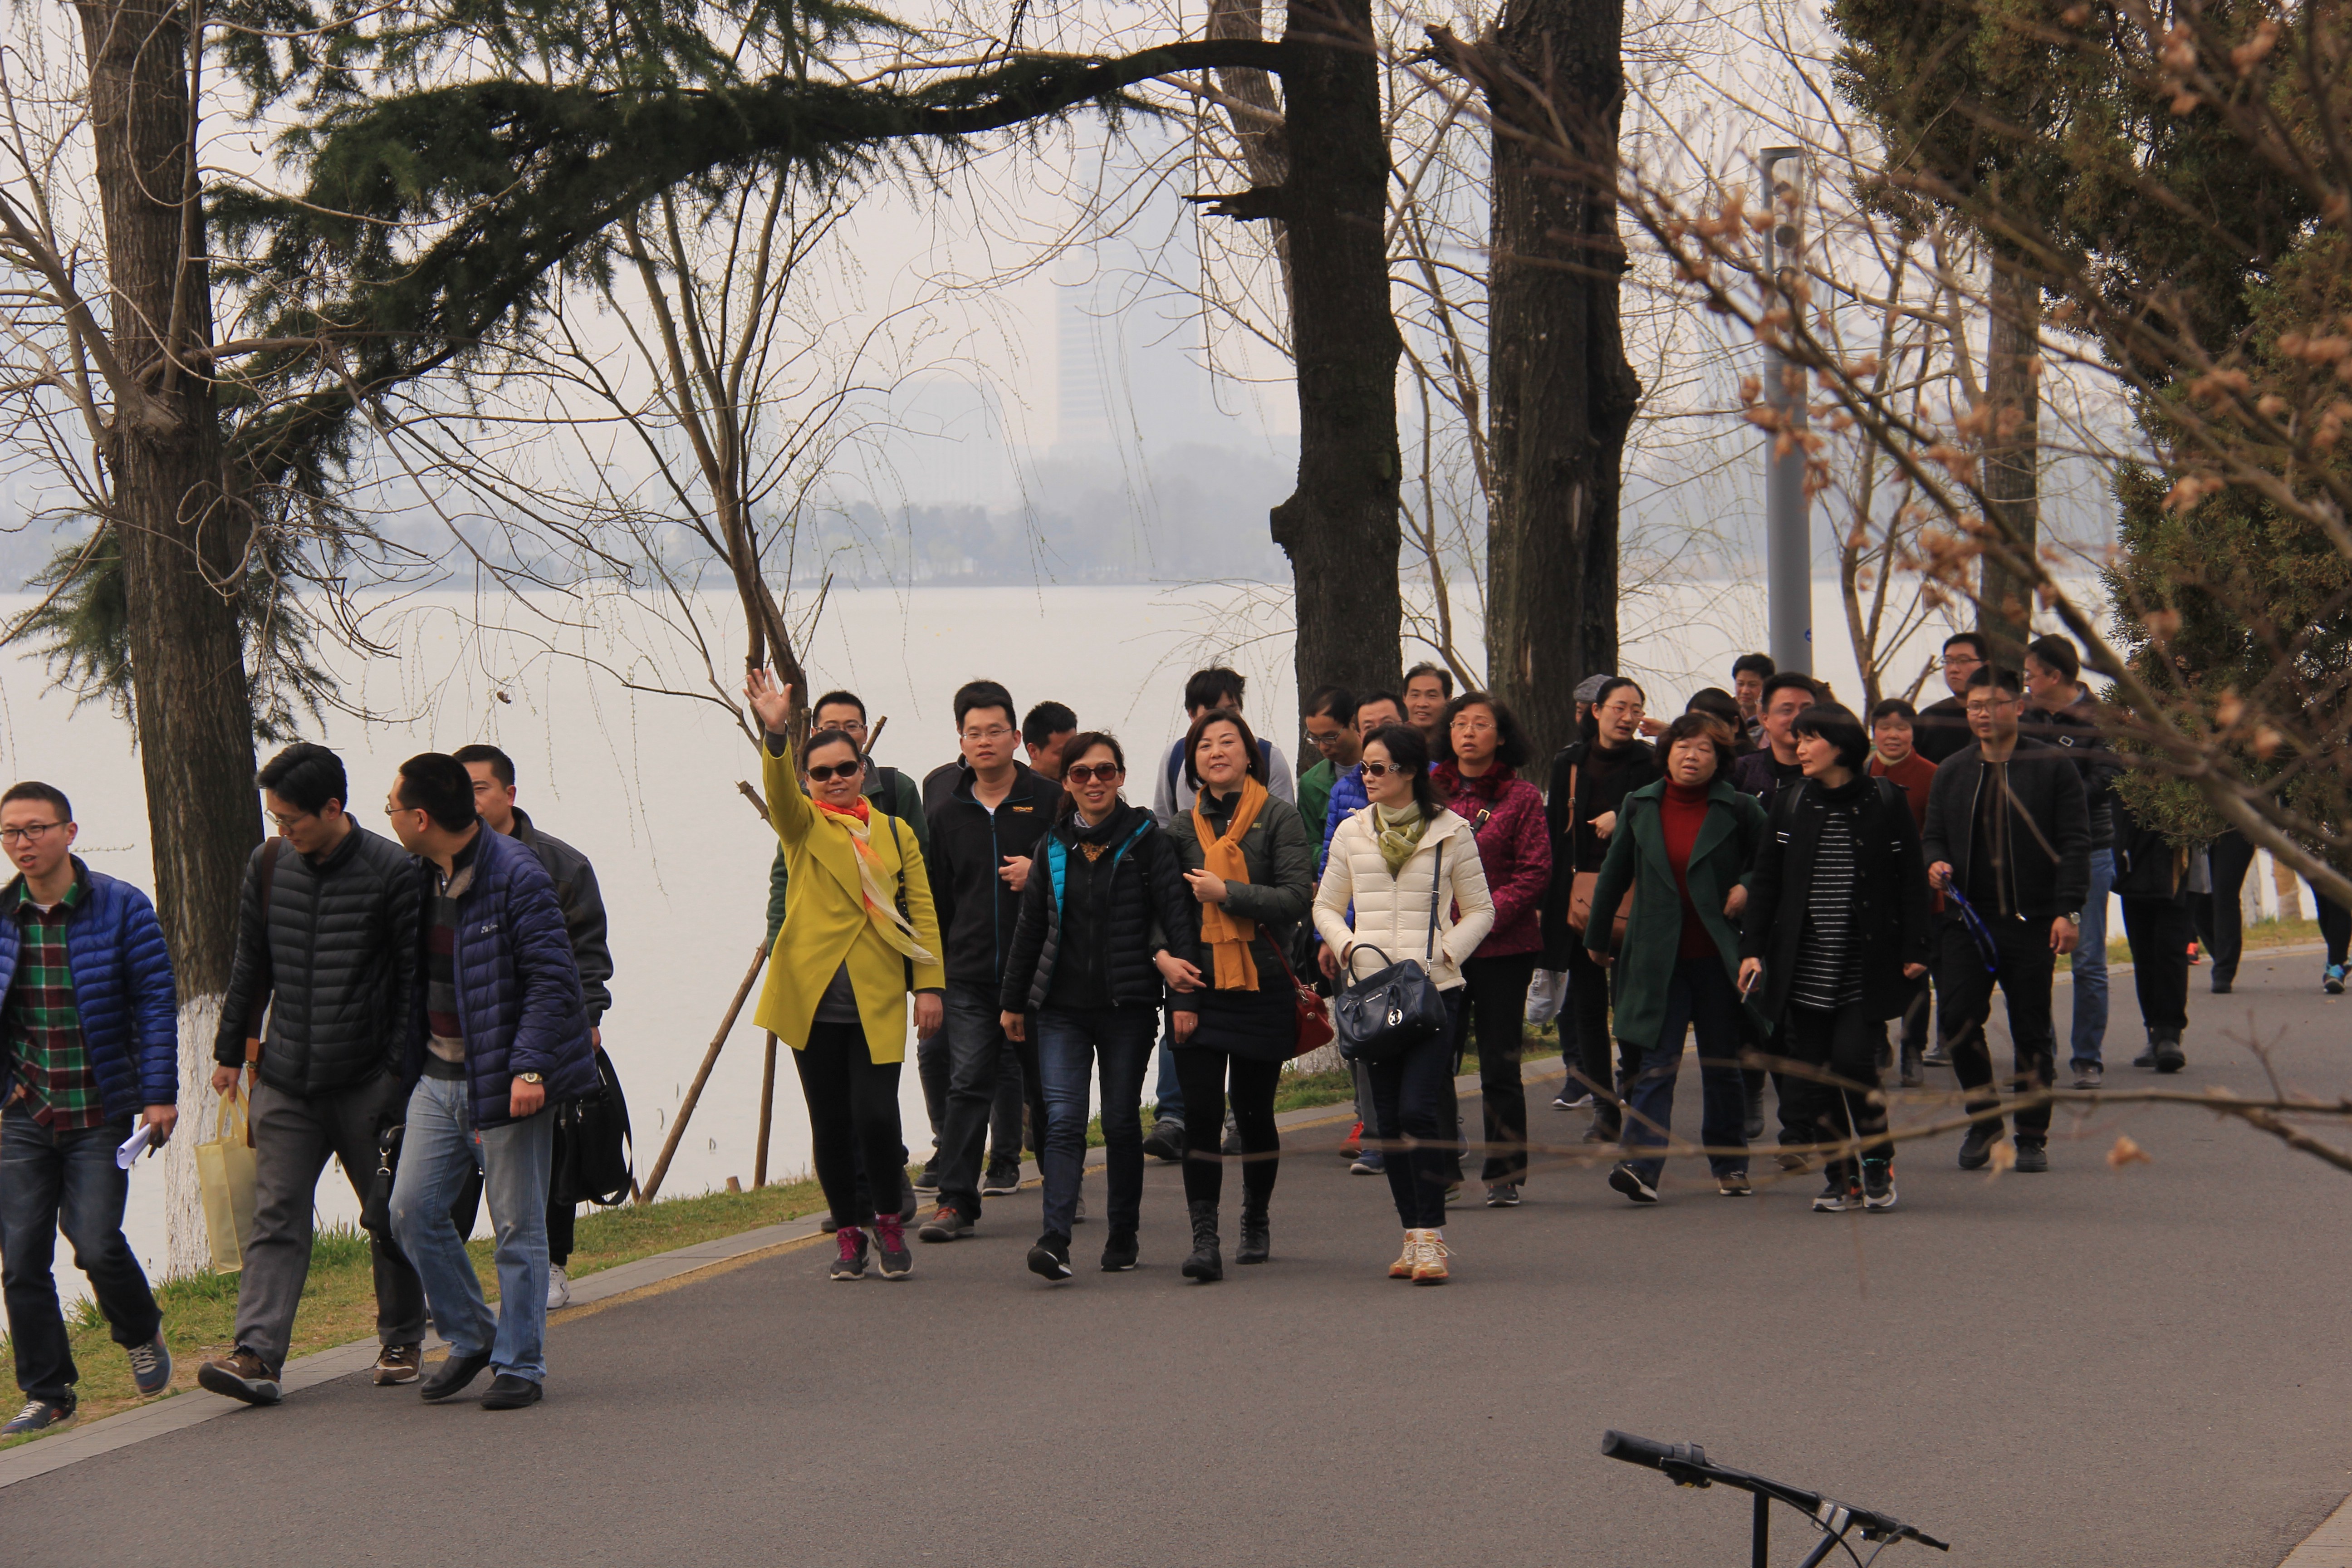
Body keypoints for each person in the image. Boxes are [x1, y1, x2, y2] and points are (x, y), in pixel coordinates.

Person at [198, 744, 429, 1408]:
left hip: (366, 1081)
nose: (283, 830)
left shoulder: (394, 872)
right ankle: (257, 1355)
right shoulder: (269, 865)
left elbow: (413, 986)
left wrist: (397, 1077)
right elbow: (251, 964)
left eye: (291, 819)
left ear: (333, 808)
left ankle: (402, 1340)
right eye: (275, 818)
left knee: (386, 1215)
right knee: (275, 1216)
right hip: (285, 1079)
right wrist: (229, 1052)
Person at [383, 752, 599, 1410]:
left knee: (516, 1226)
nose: (388, 817)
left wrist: (530, 1067)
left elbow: (553, 979)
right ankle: (474, 1334)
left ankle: (521, 1364)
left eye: (392, 808)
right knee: (410, 1212)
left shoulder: (516, 875)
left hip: (506, 1079)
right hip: (436, 1075)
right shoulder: (419, 875)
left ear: (421, 818)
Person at [744, 674, 946, 1281]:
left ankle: (889, 1220)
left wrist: (929, 986)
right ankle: (850, 1234)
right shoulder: (803, 826)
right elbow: (779, 795)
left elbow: (922, 910)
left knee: (877, 1117)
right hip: (812, 1002)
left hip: (876, 998)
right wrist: (775, 734)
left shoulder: (895, 832)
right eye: (822, 773)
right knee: (830, 1125)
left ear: (863, 771)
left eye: (845, 769)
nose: (835, 779)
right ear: (808, 780)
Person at [0, 783, 178, 1436]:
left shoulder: (121, 906)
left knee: (97, 1243)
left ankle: (140, 1331)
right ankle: (48, 1393)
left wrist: (159, 1094)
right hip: (24, 1109)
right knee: (21, 1259)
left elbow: (156, 1002)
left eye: (36, 829)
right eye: (10, 832)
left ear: (69, 832)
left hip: (98, 1106)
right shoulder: (4, 916)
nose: (23, 843)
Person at [997, 734, 1199, 1279]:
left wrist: (1183, 998)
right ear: (1067, 782)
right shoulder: (1052, 845)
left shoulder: (1147, 840)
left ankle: (1123, 1234)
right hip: (1059, 1009)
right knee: (1062, 1121)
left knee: (1119, 1122)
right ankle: (1055, 1240)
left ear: (1121, 777)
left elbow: (1175, 918)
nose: (1094, 782)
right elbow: (1031, 928)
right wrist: (1013, 1002)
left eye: (1105, 771)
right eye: (1081, 773)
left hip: (1127, 1006)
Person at [1316, 724, 1494, 1282]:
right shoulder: (1351, 832)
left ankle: (1433, 1236)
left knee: (1419, 1109)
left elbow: (1482, 910)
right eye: (1364, 768)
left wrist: (1447, 952)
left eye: (1378, 768)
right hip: (1373, 995)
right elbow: (1325, 906)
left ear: (1410, 772)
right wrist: (1347, 947)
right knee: (1389, 1120)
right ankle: (1412, 1236)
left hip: (1434, 992)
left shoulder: (1452, 831)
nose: (1367, 778)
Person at [1738, 706, 1933, 1212]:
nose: (1799, 748)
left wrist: (1917, 947)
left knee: (1853, 1061)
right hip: (1802, 962)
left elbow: (1912, 880)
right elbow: (1767, 881)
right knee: (1814, 1073)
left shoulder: (1885, 799)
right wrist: (1752, 950)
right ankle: (1840, 1175)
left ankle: (1877, 1159)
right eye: (1798, 738)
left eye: (1810, 739)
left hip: (1864, 961)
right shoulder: (1791, 800)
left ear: (1841, 745)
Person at [453, 745, 614, 1309]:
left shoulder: (559, 863)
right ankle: (445, 1273)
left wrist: (588, 1019)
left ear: (510, 794)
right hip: (467, 1038)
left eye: (480, 788)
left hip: (543, 1034)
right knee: (460, 1157)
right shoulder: (441, 864)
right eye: (461, 790)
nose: (471, 801)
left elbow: (588, 952)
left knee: (551, 1153)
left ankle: (551, 1264)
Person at [1578, 716, 1765, 1203]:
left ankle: (1730, 1163)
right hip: (1656, 959)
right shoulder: (1640, 805)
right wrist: (1598, 938)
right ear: (1667, 753)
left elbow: (1771, 864)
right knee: (1656, 1063)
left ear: (1719, 760)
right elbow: (1613, 874)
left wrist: (1747, 886)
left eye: (1704, 749)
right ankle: (1640, 1166)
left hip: (1717, 958)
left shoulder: (1740, 808)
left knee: (1721, 1064)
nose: (1692, 756)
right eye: (1683, 746)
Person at [1164, 709, 1315, 1282]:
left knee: (1254, 1115)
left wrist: (1227, 892)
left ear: (1250, 755)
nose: (1216, 752)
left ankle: (1256, 1217)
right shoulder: (1181, 829)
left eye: (1228, 742)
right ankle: (1204, 1237)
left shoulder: (1278, 817)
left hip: (1262, 986)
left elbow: (1295, 898)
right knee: (1201, 1116)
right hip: (1198, 989)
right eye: (1204, 745)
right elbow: (1164, 909)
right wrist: (1163, 959)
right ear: (1193, 763)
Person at [1921, 666, 2090, 1172]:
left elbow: (2075, 844)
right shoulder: (1953, 770)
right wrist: (1935, 862)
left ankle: (2032, 1135)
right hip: (1968, 920)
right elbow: (1933, 835)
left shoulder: (2052, 766)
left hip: (2032, 920)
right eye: (1975, 706)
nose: (1983, 714)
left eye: (1994, 704)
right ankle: (1985, 1120)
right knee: (1957, 1018)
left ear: (2018, 706)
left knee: (2031, 1028)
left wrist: (2068, 911)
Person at [918, 679, 1059, 1243]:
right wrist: (932, 978)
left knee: (1048, 1088)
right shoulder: (946, 810)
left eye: (995, 731)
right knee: (968, 1083)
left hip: (1042, 973)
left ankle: (1062, 1188)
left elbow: (1085, 867)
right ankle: (956, 1201)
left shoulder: (1050, 800)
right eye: (973, 733)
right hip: (970, 975)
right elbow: (935, 899)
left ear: (1016, 738)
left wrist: (1040, 872)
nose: (984, 741)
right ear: (961, 740)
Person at [1433, 693, 1550, 1204]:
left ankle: (1504, 1174)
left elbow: (1535, 872)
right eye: (1460, 723)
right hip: (1439, 949)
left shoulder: (1522, 797)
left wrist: (1480, 921)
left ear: (1501, 737)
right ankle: (1441, 1168)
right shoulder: (1427, 795)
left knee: (1500, 1066)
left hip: (1504, 948)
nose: (1468, 732)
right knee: (1436, 1060)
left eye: (1480, 724)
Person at [1541, 676, 1659, 1141]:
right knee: (1586, 1009)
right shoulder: (1569, 762)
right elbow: (1556, 835)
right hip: (1580, 901)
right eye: (1619, 707)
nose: (1627, 717)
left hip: (1636, 898)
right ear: (1597, 711)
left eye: (1636, 709)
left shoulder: (1651, 762)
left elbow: (1668, 807)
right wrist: (1547, 907)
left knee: (1629, 1005)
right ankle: (1604, 1110)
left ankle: (1635, 1091)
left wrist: (1624, 812)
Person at [1299, 688, 1404, 1178]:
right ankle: (1375, 1136)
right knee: (1363, 1035)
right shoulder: (1343, 792)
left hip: (1415, 939)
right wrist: (1328, 937)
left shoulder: (1433, 787)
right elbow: (1329, 868)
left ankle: (1436, 1130)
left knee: (1418, 1032)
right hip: (1356, 937)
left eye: (1387, 725)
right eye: (1368, 727)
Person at [2021, 635, 2123, 1087]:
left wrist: (2056, 799)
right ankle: (2039, 1052)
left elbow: (2108, 778)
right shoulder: (2025, 716)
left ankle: (2087, 1057)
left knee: (2088, 959)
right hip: (2033, 853)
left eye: (2030, 675)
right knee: (2033, 960)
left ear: (2054, 676)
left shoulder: (2100, 719)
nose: (2026, 683)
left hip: (2088, 851)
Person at [1869, 699, 1939, 1084]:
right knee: (1873, 969)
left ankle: (1914, 1048)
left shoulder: (1932, 774)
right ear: (1874, 732)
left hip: (1919, 891)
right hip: (1874, 891)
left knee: (1915, 972)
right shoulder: (1863, 771)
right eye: (1885, 727)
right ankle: (1878, 1041)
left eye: (1902, 728)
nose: (1893, 735)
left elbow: (1938, 833)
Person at [2109, 796, 2194, 1073]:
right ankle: (2154, 1032)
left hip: (2177, 861)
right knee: (2143, 952)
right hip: (2132, 860)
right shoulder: (2123, 772)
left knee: (2170, 948)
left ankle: (2169, 1034)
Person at [1151, 666, 1298, 824]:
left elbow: (1286, 824)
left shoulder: (1269, 756)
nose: (1223, 718)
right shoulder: (1175, 756)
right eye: (1212, 712)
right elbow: (1163, 822)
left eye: (1231, 710)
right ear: (1192, 715)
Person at [1730, 671, 1823, 805]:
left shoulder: (1829, 773)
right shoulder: (1743, 771)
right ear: (1765, 720)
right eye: (1787, 710)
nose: (1798, 718)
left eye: (1806, 710)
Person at [1296, 685, 1359, 846]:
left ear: (1352, 723)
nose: (1323, 747)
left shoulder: (1381, 769)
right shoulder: (1311, 783)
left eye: (1330, 737)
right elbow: (1310, 844)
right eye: (1315, 739)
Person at [1912, 632, 1989, 764]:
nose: (1954, 669)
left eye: (1964, 661)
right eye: (1948, 661)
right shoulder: (1930, 718)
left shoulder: (2002, 715)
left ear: (1986, 666)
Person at [1022, 701, 1079, 782]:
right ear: (1033, 751)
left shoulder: (1084, 785)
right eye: (1061, 752)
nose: (1070, 758)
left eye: (1073, 749)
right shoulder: (1016, 788)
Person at [1403, 663, 1454, 748]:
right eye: (1415, 695)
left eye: (1432, 696)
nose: (1422, 704)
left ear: (1448, 701)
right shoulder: (1392, 746)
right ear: (1404, 699)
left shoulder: (1458, 746)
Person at [1731, 653, 1776, 749]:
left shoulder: (1774, 722)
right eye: (1740, 684)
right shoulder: (1728, 717)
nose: (1745, 691)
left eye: (1752, 685)